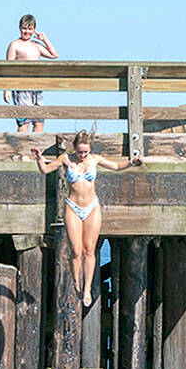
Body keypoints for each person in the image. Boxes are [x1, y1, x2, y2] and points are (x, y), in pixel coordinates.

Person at [31, 130, 141, 307]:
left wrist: (132, 162)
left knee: (89, 250)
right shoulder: (66, 159)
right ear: (75, 148)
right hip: (73, 207)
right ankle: (76, 282)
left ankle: (88, 288)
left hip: (92, 207)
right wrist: (39, 159)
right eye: (80, 152)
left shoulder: (95, 159)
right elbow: (45, 170)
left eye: (86, 152)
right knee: (76, 250)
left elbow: (116, 167)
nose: (83, 155)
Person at [4, 14, 58, 132]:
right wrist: (6, 89)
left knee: (39, 120)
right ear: (19, 28)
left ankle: (36, 148)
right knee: (24, 122)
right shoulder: (15, 45)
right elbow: (8, 67)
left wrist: (44, 39)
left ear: (34, 30)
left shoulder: (36, 45)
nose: (27, 31)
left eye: (30, 29)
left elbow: (54, 55)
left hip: (36, 86)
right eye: (24, 28)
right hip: (21, 86)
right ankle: (22, 148)